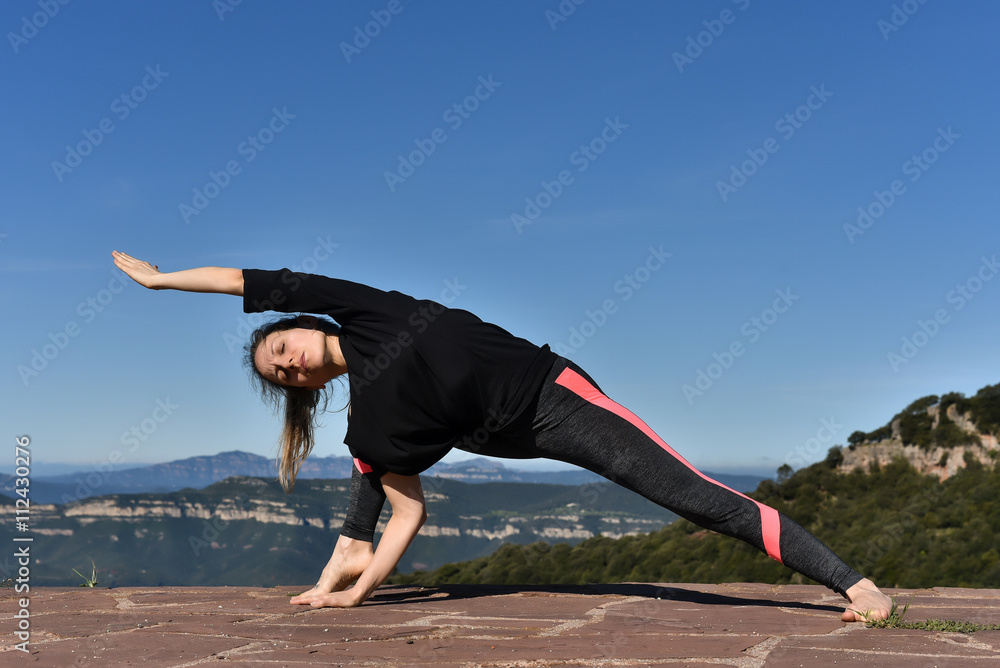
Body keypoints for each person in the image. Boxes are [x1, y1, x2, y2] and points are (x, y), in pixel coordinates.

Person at [111, 250, 893, 622]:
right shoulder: (367, 421)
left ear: (305, 326)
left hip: (555, 399)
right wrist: (360, 587)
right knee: (366, 464)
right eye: (280, 374)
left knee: (690, 495)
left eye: (281, 347)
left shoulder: (360, 307)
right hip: (502, 437)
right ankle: (346, 549)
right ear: (302, 390)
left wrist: (163, 281)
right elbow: (409, 511)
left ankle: (856, 587)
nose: (286, 363)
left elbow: (244, 281)